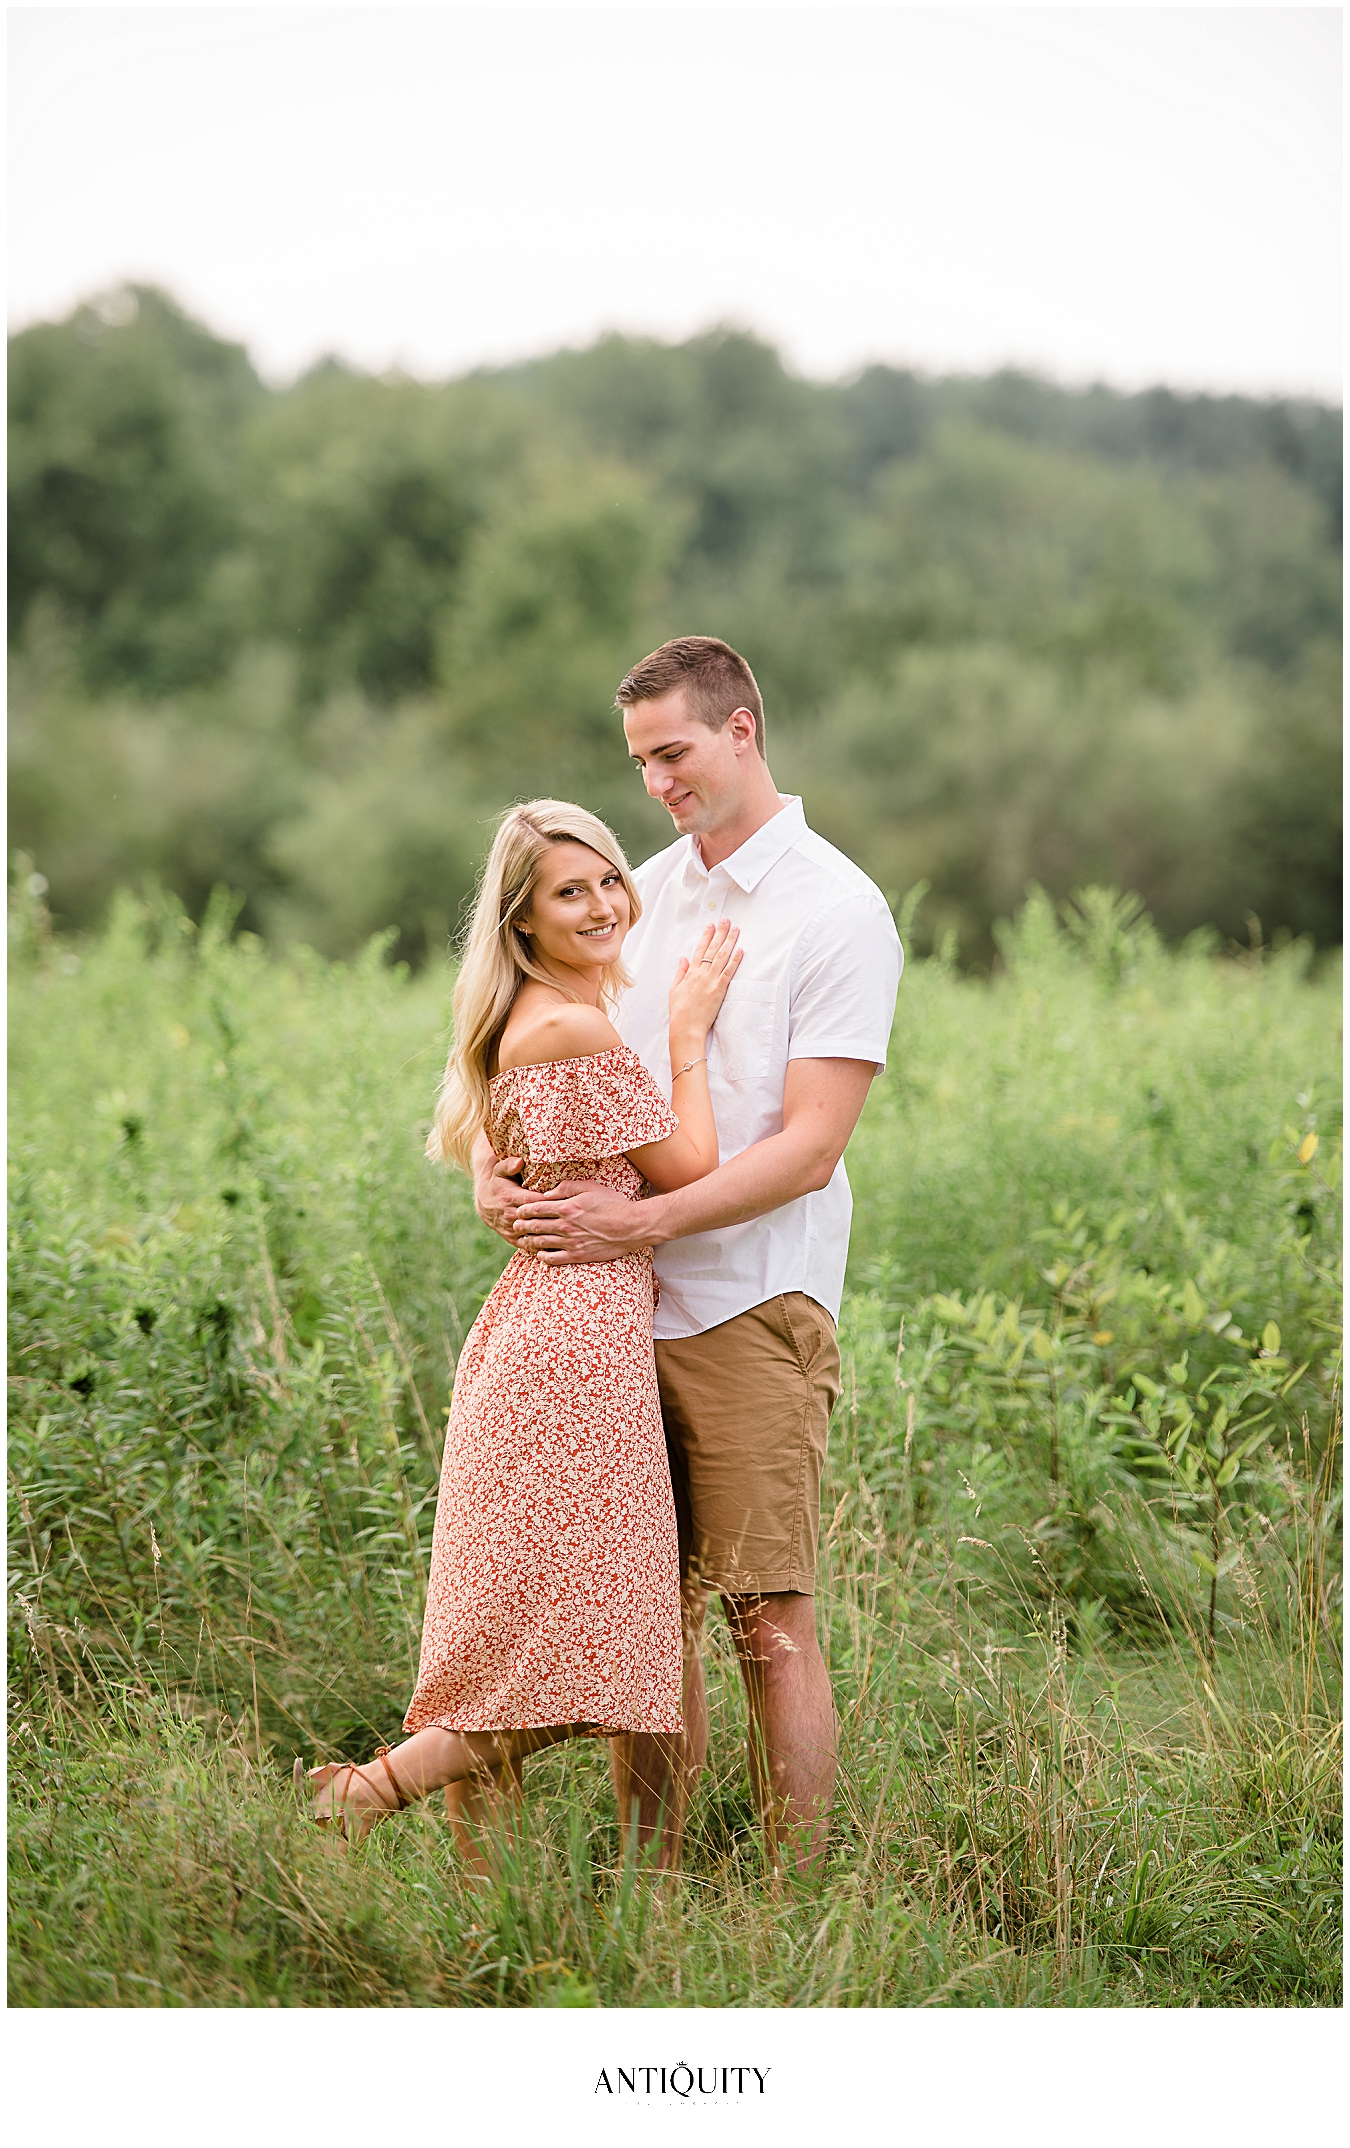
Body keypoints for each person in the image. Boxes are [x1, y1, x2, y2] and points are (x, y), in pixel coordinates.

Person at [479, 638, 903, 1875]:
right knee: (633, 1624)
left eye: (672, 752)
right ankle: (651, 1885)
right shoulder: (641, 890)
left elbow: (813, 1147)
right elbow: (545, 1047)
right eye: (639, 761)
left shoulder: (837, 909)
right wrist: (494, 1166)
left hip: (752, 1306)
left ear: (742, 731)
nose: (657, 780)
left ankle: (795, 1898)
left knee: (767, 1619)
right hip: (612, 1317)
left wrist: (647, 1223)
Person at [295, 798, 742, 1846]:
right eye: (568, 892)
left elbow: (524, 1169)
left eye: (607, 880)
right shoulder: (572, 1025)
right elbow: (690, 1171)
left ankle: (487, 1925)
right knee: (590, 1655)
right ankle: (365, 1792)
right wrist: (685, 1034)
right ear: (521, 919)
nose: (601, 905)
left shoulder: (525, 1019)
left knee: (510, 1642)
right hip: (576, 1349)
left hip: (543, 1329)